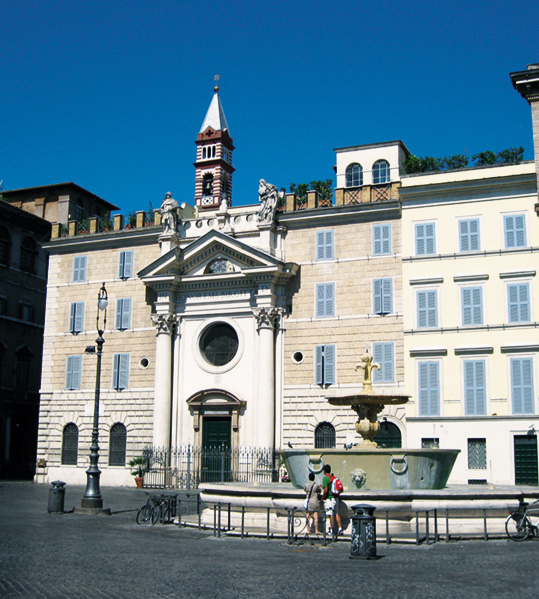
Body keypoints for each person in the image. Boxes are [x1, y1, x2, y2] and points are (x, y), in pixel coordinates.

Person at [322, 463, 343, 536]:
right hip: (336, 498)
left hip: (329, 498)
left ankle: (331, 529)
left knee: (330, 514)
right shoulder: (333, 477)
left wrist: (323, 497)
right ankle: (340, 529)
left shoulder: (325, 478)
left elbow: (326, 490)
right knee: (336, 513)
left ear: (324, 471)